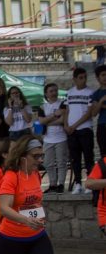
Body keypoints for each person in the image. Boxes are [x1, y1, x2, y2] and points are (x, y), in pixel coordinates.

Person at [64, 67, 95, 195]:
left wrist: (75, 125)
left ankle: (90, 183)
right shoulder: (70, 93)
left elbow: (89, 113)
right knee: (75, 159)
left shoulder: (90, 92)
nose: (83, 80)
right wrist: (66, 125)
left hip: (85, 129)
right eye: (80, 78)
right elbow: (67, 110)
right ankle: (78, 183)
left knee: (88, 157)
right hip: (71, 131)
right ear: (75, 79)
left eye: (85, 77)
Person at [39, 83, 69, 194]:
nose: (54, 93)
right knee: (48, 163)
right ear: (46, 93)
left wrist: (47, 121)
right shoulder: (43, 106)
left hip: (61, 137)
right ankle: (52, 184)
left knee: (61, 162)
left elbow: (62, 120)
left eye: (55, 90)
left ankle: (61, 184)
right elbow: (41, 121)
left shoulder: (62, 103)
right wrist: (53, 115)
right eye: (51, 91)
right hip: (48, 138)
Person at [91, 65, 106, 159]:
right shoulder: (96, 94)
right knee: (103, 153)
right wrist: (101, 101)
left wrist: (100, 105)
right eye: (103, 75)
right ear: (97, 78)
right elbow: (94, 113)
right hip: (102, 125)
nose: (105, 77)